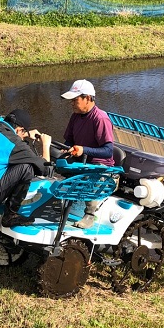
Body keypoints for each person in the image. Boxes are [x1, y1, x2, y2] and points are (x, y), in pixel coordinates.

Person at [59, 79, 114, 228]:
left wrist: (84, 150)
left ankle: (90, 215)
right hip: (80, 161)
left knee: (91, 175)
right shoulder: (75, 116)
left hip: (99, 165)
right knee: (55, 166)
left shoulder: (100, 118)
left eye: (75, 100)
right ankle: (59, 205)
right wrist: (67, 149)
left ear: (88, 98)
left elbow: (108, 151)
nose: (71, 103)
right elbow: (69, 140)